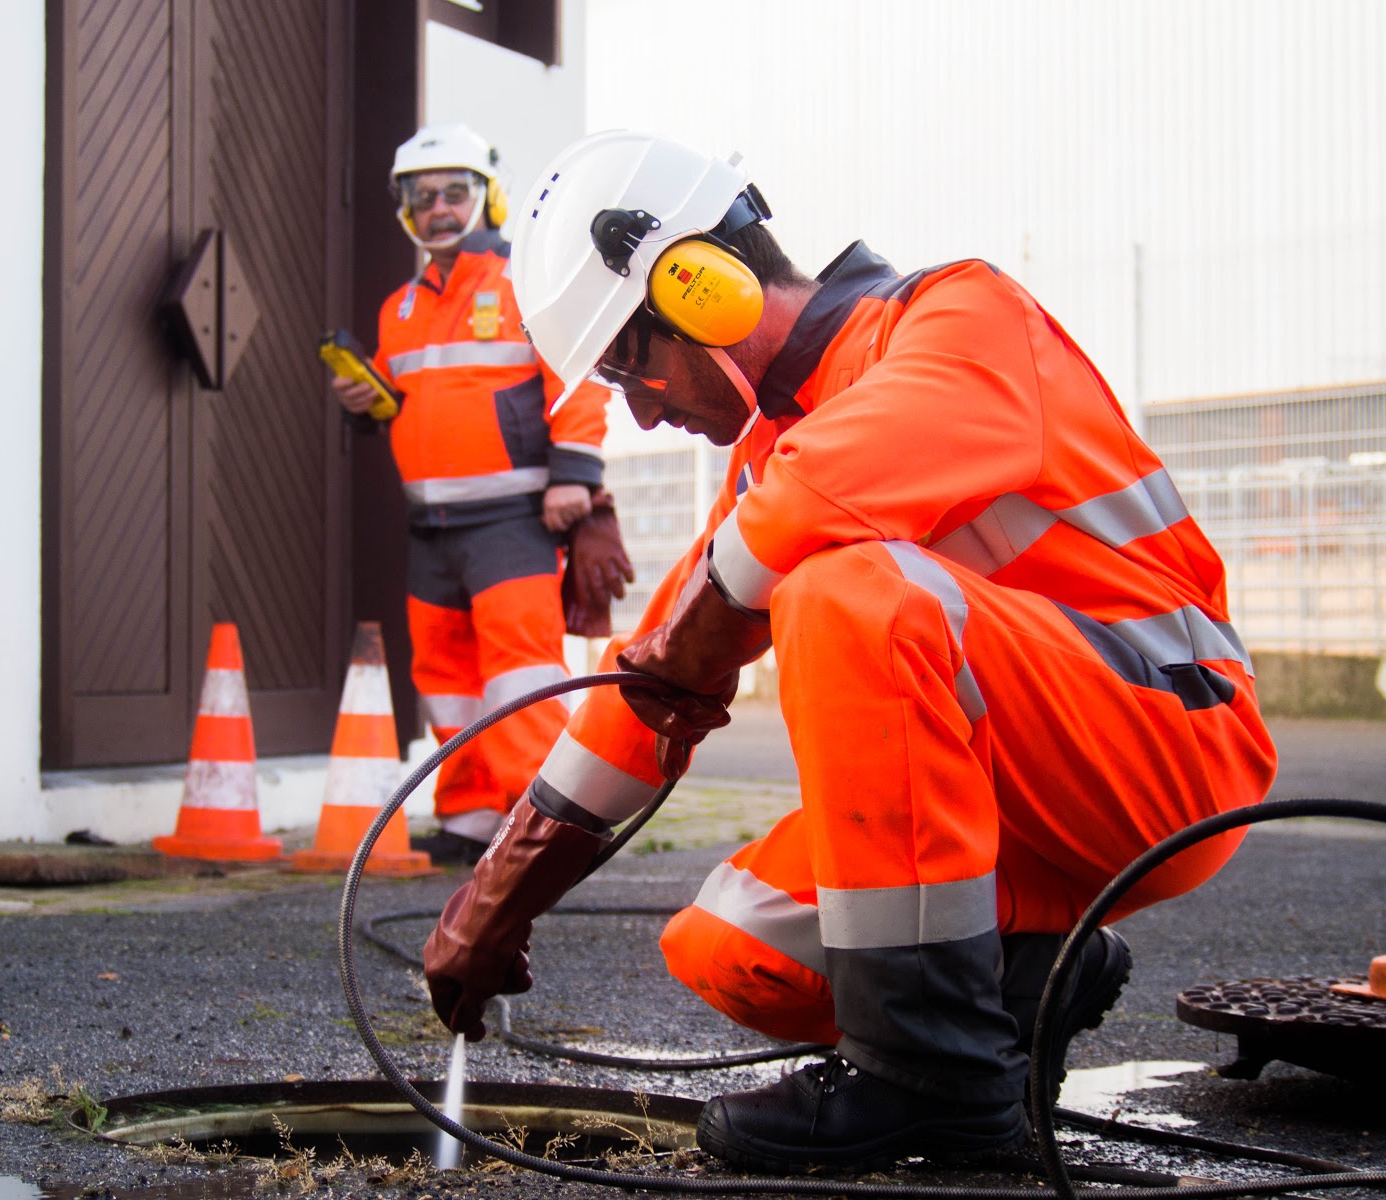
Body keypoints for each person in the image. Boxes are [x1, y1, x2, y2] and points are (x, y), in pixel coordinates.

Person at [421, 130, 1277, 1172]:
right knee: (735, 943)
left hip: (1168, 756)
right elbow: (646, 686)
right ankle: (1035, 975)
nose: (637, 406)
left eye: (627, 362)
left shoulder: (960, 320)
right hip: (1018, 815)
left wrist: (703, 629)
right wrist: (495, 902)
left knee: (843, 590)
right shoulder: (771, 466)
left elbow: (802, 518)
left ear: (702, 289)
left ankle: (937, 1082)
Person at [332, 123, 630, 866]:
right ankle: (467, 816)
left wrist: (575, 476)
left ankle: (543, 828)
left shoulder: (522, 281)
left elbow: (580, 380)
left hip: (512, 520)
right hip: (431, 522)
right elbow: (406, 407)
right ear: (405, 207)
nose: (437, 207)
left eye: (454, 191)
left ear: (487, 195)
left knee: (520, 675)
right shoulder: (397, 308)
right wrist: (362, 404)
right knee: (445, 678)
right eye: (422, 195)